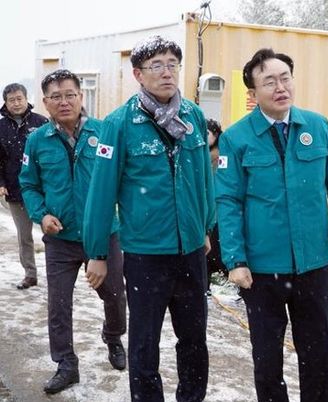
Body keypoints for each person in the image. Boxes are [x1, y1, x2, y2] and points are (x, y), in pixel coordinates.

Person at [215, 48, 328, 401]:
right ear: (253, 93)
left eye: (285, 78)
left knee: (318, 356)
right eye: (269, 82)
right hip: (261, 269)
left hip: (312, 264)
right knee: (268, 359)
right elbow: (228, 201)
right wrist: (235, 260)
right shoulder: (236, 138)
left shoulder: (317, 126)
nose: (280, 87)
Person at [83, 35, 214, 402]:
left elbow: (204, 179)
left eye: (173, 64)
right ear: (138, 74)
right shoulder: (119, 124)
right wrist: (97, 252)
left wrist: (204, 227)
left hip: (190, 252)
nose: (167, 72)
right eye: (157, 65)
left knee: (194, 338)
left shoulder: (193, 116)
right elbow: (102, 193)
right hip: (146, 256)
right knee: (144, 342)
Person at [19, 70, 127, 394]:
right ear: (45, 102)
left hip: (103, 235)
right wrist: (42, 215)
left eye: (69, 94)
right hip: (60, 239)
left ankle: (113, 337)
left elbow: (123, 179)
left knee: (115, 297)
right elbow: (28, 184)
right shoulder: (37, 140)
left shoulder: (104, 132)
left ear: (81, 97)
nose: (63, 101)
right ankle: (66, 364)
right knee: (58, 305)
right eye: (56, 96)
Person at [0, 83, 47, 289]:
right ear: (6, 103)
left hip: (42, 189)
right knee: (24, 236)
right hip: (15, 188)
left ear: (27, 99)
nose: (16, 103)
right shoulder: (1, 127)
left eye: (20, 98)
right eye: (11, 100)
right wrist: (1, 183)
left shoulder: (41, 122)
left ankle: (58, 271)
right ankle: (30, 274)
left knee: (52, 233)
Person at [205, 118, 226, 294]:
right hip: (208, 212)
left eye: (207, 134)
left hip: (219, 212)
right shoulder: (203, 155)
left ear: (216, 135)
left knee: (215, 252)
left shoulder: (219, 157)